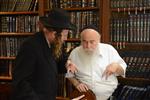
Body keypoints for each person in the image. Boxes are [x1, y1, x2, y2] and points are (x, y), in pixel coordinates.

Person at [12, 8, 75, 100]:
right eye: (64, 35)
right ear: (54, 33)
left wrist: (67, 64)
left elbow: (60, 61)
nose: (65, 38)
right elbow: (21, 82)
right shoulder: (30, 46)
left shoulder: (55, 43)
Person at [66, 25, 127, 100]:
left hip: (110, 96)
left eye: (92, 42)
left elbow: (122, 71)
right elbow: (69, 75)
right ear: (81, 40)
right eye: (84, 42)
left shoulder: (109, 49)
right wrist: (77, 83)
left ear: (98, 40)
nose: (88, 46)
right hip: (86, 97)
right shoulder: (75, 52)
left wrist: (116, 66)